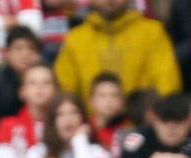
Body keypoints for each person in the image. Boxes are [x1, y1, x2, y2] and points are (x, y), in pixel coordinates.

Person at [54, 0, 182, 103]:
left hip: (142, 127)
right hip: (92, 129)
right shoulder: (75, 38)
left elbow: (167, 85)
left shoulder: (152, 32)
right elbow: (65, 92)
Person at [0, 24, 42, 125]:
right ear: (7, 53)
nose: (25, 54)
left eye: (31, 49)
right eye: (19, 48)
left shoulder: (46, 78)